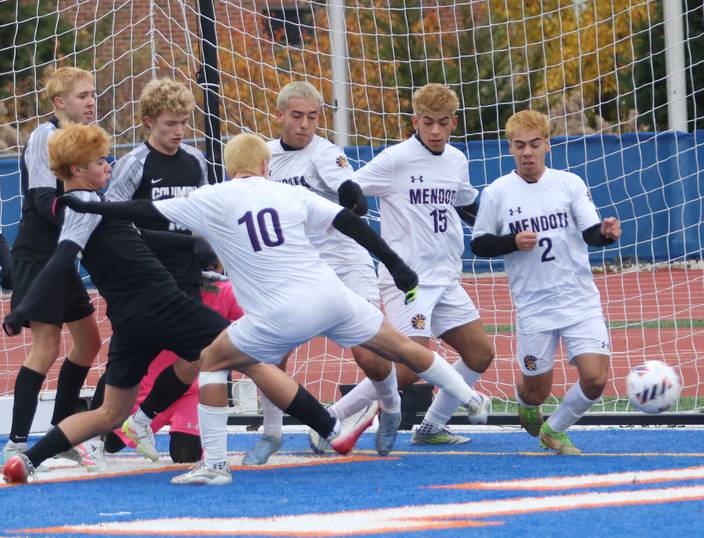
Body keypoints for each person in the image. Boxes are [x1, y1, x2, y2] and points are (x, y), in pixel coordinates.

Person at [59, 132, 491, 485]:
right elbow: (350, 221)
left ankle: (215, 465)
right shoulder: (287, 194)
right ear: (266, 166)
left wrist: (85, 204)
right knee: (402, 347)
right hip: (332, 296)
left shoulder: (215, 196)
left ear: (230, 169)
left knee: (210, 360)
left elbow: (139, 208)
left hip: (279, 313)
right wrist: (398, 267)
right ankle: (470, 397)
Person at [1, 124, 352, 484]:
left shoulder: (95, 205)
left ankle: (28, 460)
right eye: (99, 161)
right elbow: (61, 260)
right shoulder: (86, 205)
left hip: (129, 318)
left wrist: (192, 244)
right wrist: (24, 310)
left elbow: (140, 237)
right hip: (161, 303)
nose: (108, 165)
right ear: (76, 170)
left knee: (110, 411)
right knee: (252, 360)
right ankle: (331, 427)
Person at [316, 83, 495, 447]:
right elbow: (350, 188)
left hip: (446, 277)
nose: (434, 130)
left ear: (453, 124)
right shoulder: (395, 159)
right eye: (427, 122)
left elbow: (465, 202)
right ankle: (330, 417)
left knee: (480, 354)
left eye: (442, 123)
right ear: (415, 120)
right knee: (412, 364)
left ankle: (431, 426)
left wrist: (503, 225)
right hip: (407, 279)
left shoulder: (457, 160)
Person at [243, 81, 402, 464]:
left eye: (313, 117)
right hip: (297, 267)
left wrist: (353, 197)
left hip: (346, 263)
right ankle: (271, 433)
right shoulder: (263, 156)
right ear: (280, 115)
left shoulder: (326, 153)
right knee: (268, 351)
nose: (305, 125)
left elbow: (346, 185)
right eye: (297, 116)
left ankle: (392, 407)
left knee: (371, 351)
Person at [471, 110, 622, 455]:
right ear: (510, 148)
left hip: (578, 299)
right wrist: (511, 241)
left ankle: (555, 430)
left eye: (535, 144)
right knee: (536, 393)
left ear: (547, 145)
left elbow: (590, 233)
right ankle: (525, 401)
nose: (528, 152)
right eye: (520, 145)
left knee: (596, 379)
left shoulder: (569, 183)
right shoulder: (497, 193)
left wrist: (606, 233)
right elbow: (479, 244)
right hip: (534, 306)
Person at [90, 78, 213, 462]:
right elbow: (113, 221)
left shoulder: (196, 160)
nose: (178, 131)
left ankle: (141, 420)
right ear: (148, 122)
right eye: (169, 124)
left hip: (186, 274)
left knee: (198, 356)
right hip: (144, 279)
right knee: (129, 359)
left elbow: (207, 214)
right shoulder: (133, 165)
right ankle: (95, 436)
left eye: (183, 122)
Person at [2, 67, 102, 467]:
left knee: (90, 341)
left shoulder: (83, 139)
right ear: (59, 102)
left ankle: (61, 430)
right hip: (39, 254)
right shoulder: (45, 137)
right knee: (46, 347)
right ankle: (17, 441)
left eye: (93, 94)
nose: (91, 101)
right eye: (82, 96)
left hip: (62, 253)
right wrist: (89, 215)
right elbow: (44, 202)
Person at [103, 266, 243, 464]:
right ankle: (88, 432)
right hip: (148, 387)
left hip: (192, 392)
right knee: (111, 444)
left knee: (185, 456)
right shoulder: (164, 292)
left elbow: (254, 325)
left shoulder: (226, 292)